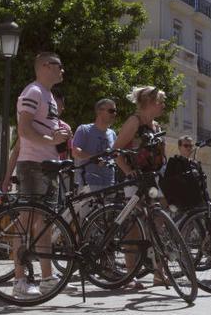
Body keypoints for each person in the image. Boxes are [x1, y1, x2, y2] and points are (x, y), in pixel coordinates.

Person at [9, 52, 70, 298]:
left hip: (47, 164)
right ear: (45, 66)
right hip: (33, 163)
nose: (63, 71)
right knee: (26, 221)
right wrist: (51, 139)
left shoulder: (49, 97)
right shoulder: (33, 92)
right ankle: (19, 280)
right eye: (59, 66)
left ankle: (46, 277)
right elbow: (23, 129)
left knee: (43, 222)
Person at [113, 86, 168, 289]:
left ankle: (159, 274)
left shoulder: (155, 125)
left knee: (159, 224)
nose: (163, 106)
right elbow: (116, 150)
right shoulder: (134, 121)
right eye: (160, 101)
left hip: (152, 179)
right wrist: (128, 171)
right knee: (133, 228)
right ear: (150, 103)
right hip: (134, 180)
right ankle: (129, 276)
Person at [71, 98, 118, 218]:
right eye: (111, 111)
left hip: (109, 185)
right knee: (87, 223)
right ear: (99, 111)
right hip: (89, 184)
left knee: (105, 225)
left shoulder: (112, 134)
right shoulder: (84, 130)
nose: (114, 114)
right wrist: (93, 158)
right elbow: (76, 152)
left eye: (115, 111)